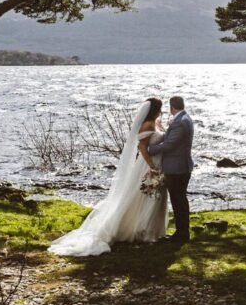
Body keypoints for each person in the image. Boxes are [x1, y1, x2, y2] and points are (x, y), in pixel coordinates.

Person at [48, 98, 168, 256]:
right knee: (145, 195)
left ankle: (150, 229)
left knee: (154, 196)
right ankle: (141, 230)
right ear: (155, 109)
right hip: (147, 165)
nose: (162, 110)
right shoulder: (147, 125)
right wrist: (152, 166)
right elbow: (142, 147)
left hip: (157, 163)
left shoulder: (155, 123)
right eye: (160, 108)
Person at [147, 95, 194, 242]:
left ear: (171, 107)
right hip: (181, 166)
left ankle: (182, 234)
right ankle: (182, 232)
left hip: (177, 168)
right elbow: (173, 139)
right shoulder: (185, 119)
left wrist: (150, 149)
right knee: (179, 199)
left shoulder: (180, 122)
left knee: (178, 200)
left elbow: (169, 145)